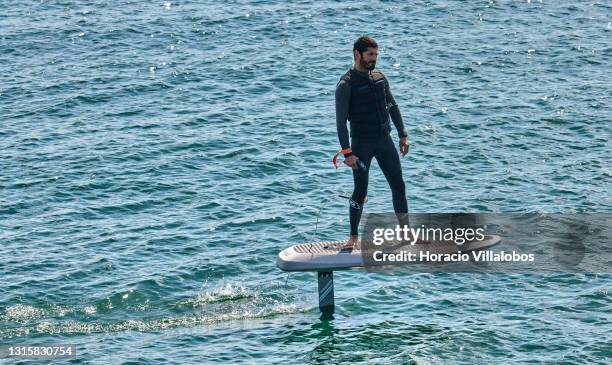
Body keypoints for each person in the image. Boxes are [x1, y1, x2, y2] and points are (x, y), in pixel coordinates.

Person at [335, 36, 410, 251]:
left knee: (399, 185)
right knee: (360, 190)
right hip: (361, 145)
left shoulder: (380, 77)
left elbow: (393, 106)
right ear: (357, 54)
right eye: (370, 55)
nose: (374, 59)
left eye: (376, 55)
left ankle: (405, 234)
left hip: (384, 141)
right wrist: (348, 153)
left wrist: (402, 134)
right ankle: (352, 237)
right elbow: (340, 124)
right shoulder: (345, 85)